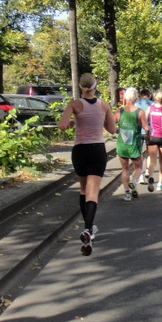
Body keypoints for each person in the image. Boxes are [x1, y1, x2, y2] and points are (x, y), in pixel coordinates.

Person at [58, 73, 117, 256]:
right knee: (93, 192)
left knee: (83, 190)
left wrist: (71, 125)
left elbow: (62, 125)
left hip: (80, 150)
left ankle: (89, 229)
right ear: (95, 86)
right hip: (97, 150)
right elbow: (112, 129)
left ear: (81, 86)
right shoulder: (104, 105)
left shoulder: (74, 104)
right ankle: (88, 230)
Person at [115, 87, 149, 202]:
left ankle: (127, 194)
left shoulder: (119, 111)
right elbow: (146, 128)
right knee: (138, 167)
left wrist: (118, 130)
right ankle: (134, 181)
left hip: (122, 144)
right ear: (136, 98)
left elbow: (112, 125)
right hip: (134, 143)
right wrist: (148, 134)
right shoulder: (140, 112)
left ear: (125, 97)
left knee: (124, 169)